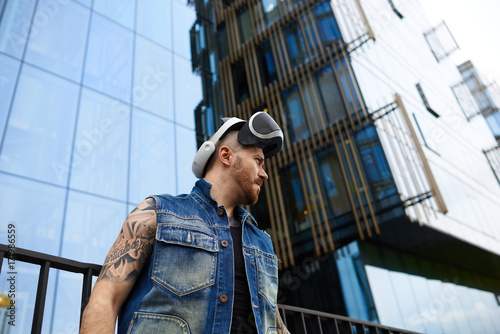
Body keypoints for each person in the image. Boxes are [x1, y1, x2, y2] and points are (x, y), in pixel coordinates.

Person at [80, 112, 290, 334]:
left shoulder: (263, 242)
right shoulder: (157, 212)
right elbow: (105, 299)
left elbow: (273, 324)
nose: (264, 174)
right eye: (258, 161)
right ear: (226, 156)